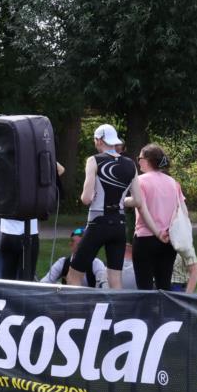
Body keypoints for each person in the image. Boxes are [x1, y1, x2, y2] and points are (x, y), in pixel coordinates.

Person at [68, 124, 145, 289]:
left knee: (73, 276)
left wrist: (96, 198)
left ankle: (80, 306)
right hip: (119, 225)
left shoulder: (93, 160)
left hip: (98, 223)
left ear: (99, 140)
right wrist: (119, 201)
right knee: (115, 280)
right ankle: (116, 307)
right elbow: (138, 201)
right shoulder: (130, 164)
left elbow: (86, 199)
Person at [129, 143, 179, 290]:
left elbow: (142, 209)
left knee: (144, 286)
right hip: (168, 238)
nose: (138, 162)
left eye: (139, 158)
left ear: (147, 160)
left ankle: (146, 307)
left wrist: (157, 232)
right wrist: (167, 230)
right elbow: (179, 209)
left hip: (145, 238)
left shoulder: (140, 181)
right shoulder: (172, 182)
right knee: (164, 285)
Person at [40, 227, 106, 287]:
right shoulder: (62, 263)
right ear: (70, 245)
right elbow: (44, 283)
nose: (82, 248)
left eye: (82, 244)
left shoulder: (96, 264)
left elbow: (103, 286)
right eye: (78, 245)